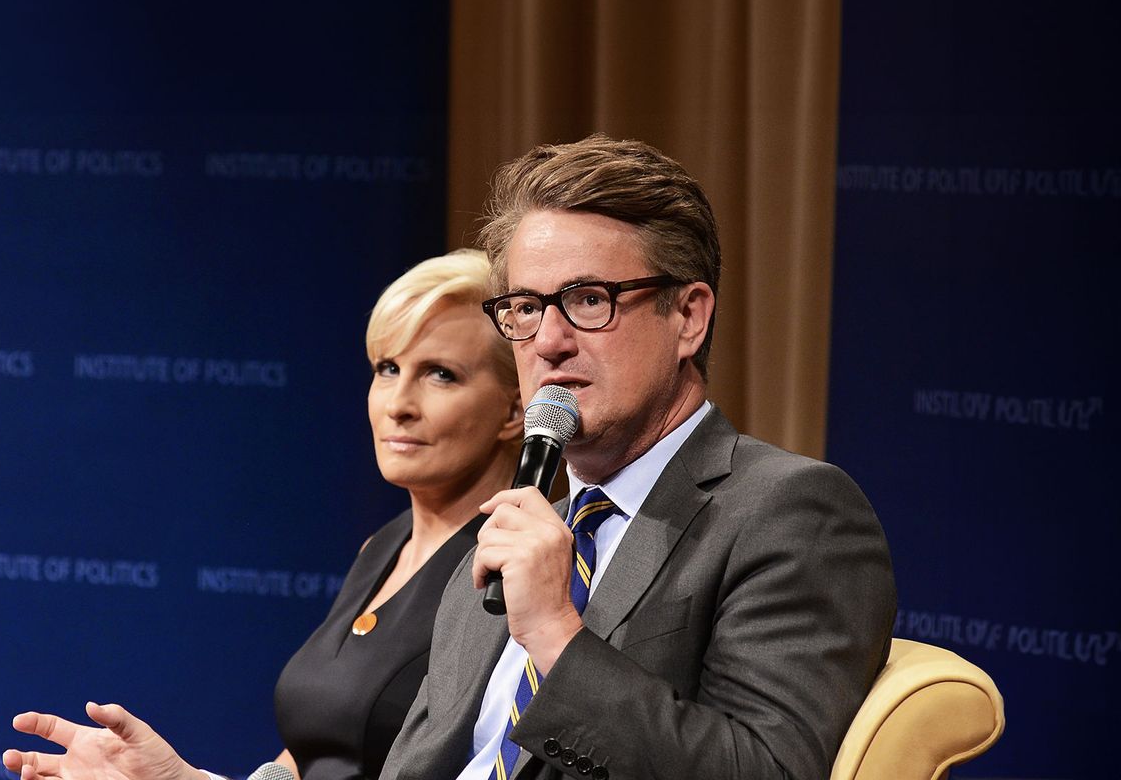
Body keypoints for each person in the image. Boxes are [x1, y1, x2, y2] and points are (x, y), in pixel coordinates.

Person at [378, 135, 897, 780]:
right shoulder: (516, 534)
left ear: (688, 316)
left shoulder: (790, 513)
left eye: (590, 300)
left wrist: (555, 636)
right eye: (526, 307)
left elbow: (766, 769)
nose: (549, 342)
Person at [2, 249, 525, 780]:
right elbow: (311, 758)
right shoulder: (381, 548)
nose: (398, 403)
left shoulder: (512, 568)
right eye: (388, 369)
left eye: (440, 375)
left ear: (515, 409)